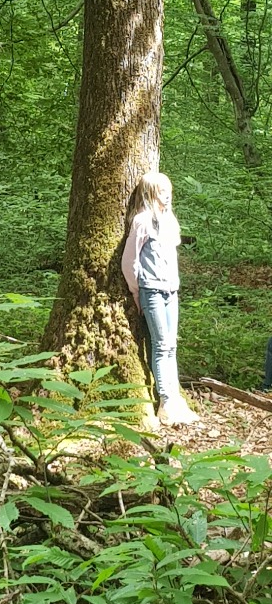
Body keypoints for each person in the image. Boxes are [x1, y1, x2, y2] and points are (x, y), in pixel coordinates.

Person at [121, 171, 198, 427]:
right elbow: (129, 260)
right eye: (161, 192)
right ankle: (166, 403)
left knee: (171, 345)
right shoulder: (142, 221)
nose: (167, 196)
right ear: (149, 194)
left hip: (170, 289)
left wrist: (174, 284)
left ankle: (175, 400)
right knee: (162, 344)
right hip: (151, 290)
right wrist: (136, 291)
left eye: (169, 191)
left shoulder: (169, 221)